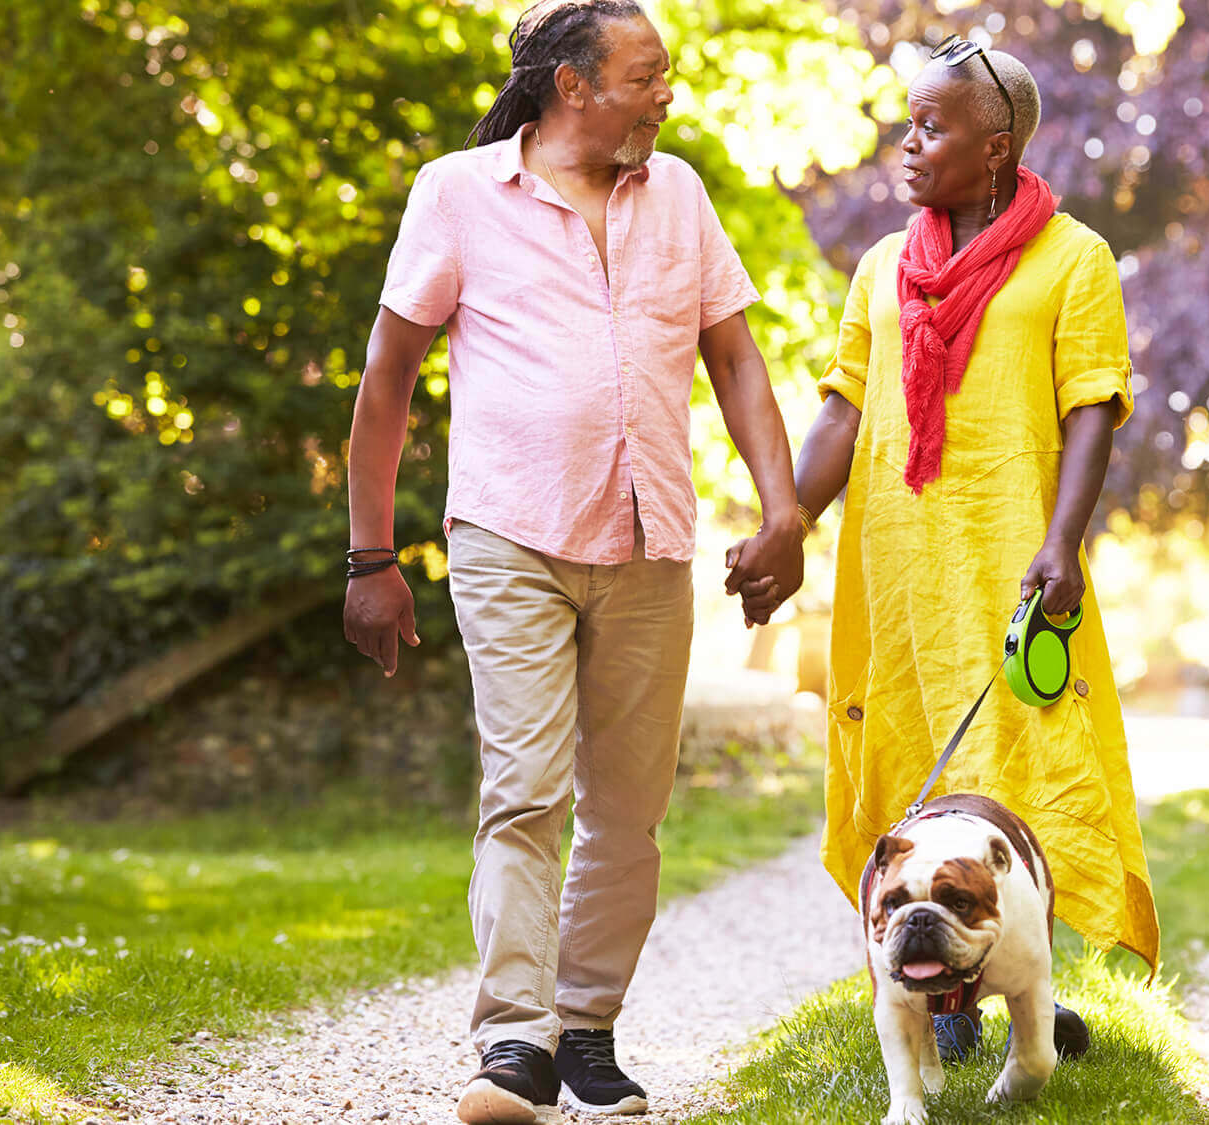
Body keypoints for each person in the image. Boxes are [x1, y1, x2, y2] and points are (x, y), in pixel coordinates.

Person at [342, 3, 802, 1122]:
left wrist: (781, 507)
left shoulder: (679, 195)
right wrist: (370, 553)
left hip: (649, 538)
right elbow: (389, 372)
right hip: (509, 535)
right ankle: (512, 1043)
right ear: (570, 85)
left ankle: (584, 1025)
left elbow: (735, 360)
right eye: (646, 76)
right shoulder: (457, 194)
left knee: (628, 809)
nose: (665, 95)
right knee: (526, 790)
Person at [736, 36, 1160, 1058]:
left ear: (997, 144)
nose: (907, 145)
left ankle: (1016, 981)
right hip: (895, 564)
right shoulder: (884, 266)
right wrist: (783, 523)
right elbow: (843, 411)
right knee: (906, 760)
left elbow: (1093, 407)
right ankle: (931, 988)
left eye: (932, 127)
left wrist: (1063, 538)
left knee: (1025, 761)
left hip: (1016, 559)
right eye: (907, 124)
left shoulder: (1074, 259)